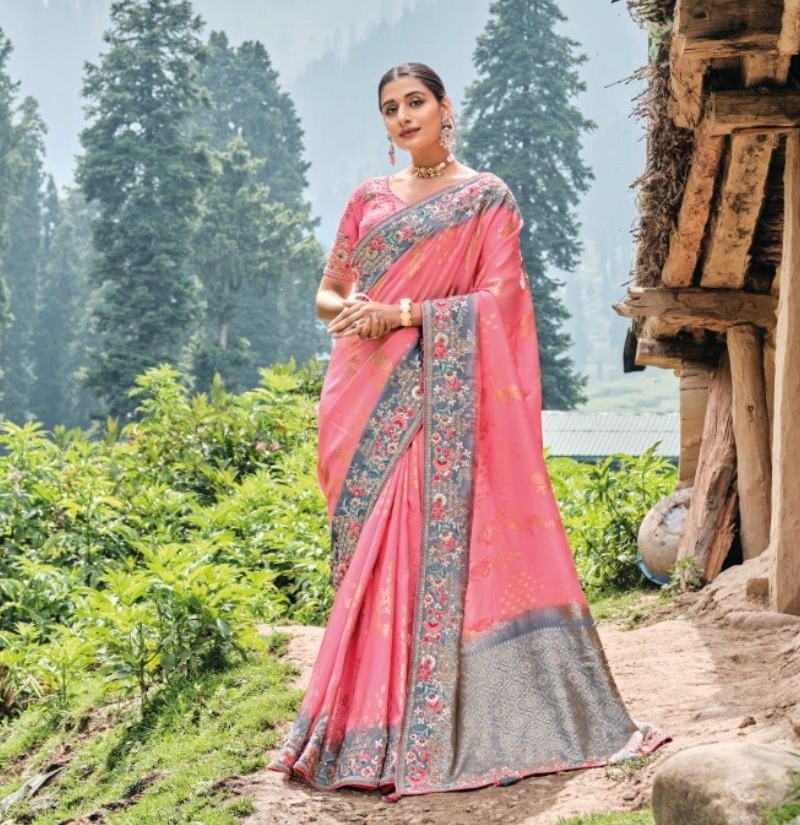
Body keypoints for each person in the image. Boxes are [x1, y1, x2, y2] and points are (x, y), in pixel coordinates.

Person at [269, 62, 667, 798]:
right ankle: (365, 722)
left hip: (437, 391)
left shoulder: (486, 199)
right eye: (388, 108)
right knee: (374, 562)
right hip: (362, 391)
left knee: (428, 541)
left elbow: (502, 299)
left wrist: (408, 314)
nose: (401, 117)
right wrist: (353, 312)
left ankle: (440, 712)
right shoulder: (366, 199)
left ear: (445, 107)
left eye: (414, 101)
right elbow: (329, 291)